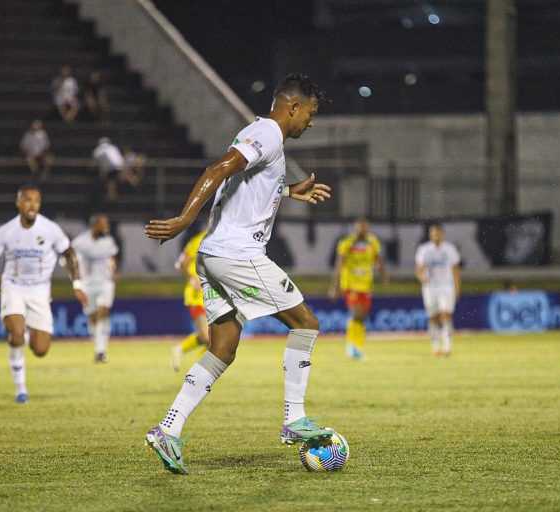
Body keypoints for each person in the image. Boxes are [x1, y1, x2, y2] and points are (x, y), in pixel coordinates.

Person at [143, 73, 332, 475]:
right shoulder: (269, 133)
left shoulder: (261, 136)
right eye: (310, 114)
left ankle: (168, 429)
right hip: (236, 254)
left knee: (223, 348)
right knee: (306, 323)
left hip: (212, 256)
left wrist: (287, 190)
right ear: (293, 108)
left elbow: (247, 183)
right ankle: (294, 418)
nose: (310, 123)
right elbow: (221, 167)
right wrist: (183, 218)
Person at [0, 185, 88, 403]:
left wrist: (76, 283)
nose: (32, 205)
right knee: (17, 336)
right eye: (28, 200)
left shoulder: (50, 229)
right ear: (18, 203)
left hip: (40, 291)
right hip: (13, 287)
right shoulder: (6, 231)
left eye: (37, 201)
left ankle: (25, 332)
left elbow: (69, 254)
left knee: (40, 350)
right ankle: (21, 389)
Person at [328, 218, 388, 360]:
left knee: (362, 317)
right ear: (355, 228)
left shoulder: (373, 242)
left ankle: (358, 348)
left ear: (367, 228)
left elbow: (378, 261)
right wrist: (334, 286)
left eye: (364, 227)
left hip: (366, 285)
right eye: (359, 227)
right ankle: (351, 346)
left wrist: (383, 275)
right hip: (351, 284)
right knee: (356, 313)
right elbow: (339, 265)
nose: (361, 230)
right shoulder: (347, 243)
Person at [72, 214, 119, 363]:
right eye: (103, 224)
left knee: (104, 312)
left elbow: (112, 257)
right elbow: (70, 261)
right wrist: (77, 283)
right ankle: (98, 348)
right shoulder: (80, 243)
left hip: (106, 283)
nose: (107, 227)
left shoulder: (109, 241)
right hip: (88, 285)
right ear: (95, 226)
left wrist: (114, 270)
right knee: (93, 317)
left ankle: (101, 351)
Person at [415, 223, 461, 357]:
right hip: (430, 287)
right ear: (430, 235)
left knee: (446, 315)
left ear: (443, 234)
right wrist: (422, 278)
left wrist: (457, 287)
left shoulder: (450, 249)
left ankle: (447, 346)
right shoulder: (424, 249)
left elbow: (455, 269)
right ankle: (435, 346)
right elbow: (419, 269)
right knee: (433, 317)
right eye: (433, 233)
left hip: (447, 286)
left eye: (438, 233)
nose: (436, 235)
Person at [170, 226, 209, 372]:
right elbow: (180, 264)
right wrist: (192, 278)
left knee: (214, 339)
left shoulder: (222, 241)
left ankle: (185, 353)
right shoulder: (199, 241)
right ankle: (198, 369)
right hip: (197, 296)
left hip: (213, 294)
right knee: (207, 338)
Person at [92, 137, 125, 202]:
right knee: (114, 180)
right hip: (120, 165)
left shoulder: (99, 149)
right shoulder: (113, 147)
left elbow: (96, 159)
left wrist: (101, 171)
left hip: (112, 167)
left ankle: (111, 195)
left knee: (110, 182)